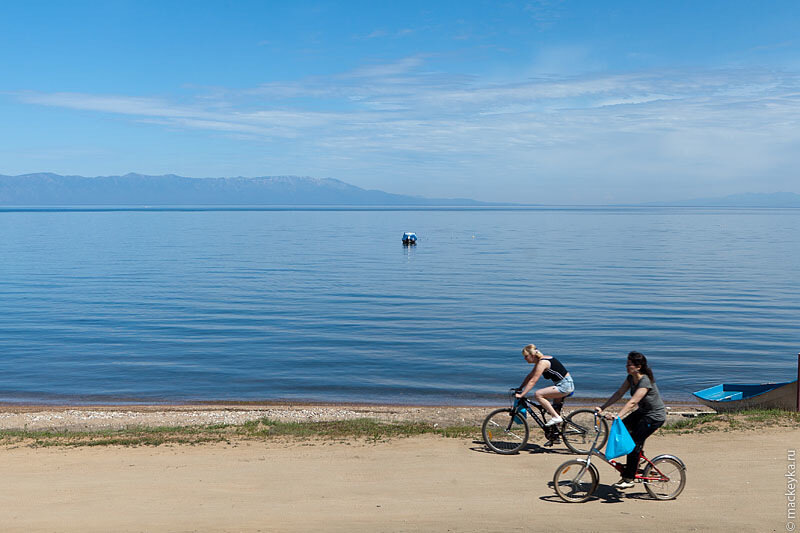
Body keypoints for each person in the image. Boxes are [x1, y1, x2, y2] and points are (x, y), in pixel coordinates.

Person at [595, 351, 667, 490]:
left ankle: (629, 478)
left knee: (633, 443)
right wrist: (603, 408)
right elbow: (619, 393)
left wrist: (618, 416)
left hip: (654, 417)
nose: (627, 367)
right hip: (643, 412)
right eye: (627, 364)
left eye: (630, 365)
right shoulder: (630, 378)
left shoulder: (645, 381)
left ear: (638, 366)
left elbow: (633, 402)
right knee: (624, 429)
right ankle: (638, 457)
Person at [516, 344, 575, 426]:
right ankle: (556, 434)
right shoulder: (541, 360)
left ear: (532, 355)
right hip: (565, 384)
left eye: (526, 356)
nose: (524, 358)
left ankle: (555, 417)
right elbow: (530, 376)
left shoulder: (542, 363)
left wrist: (522, 394)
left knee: (538, 394)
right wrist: (520, 387)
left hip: (565, 386)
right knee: (555, 410)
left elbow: (533, 381)